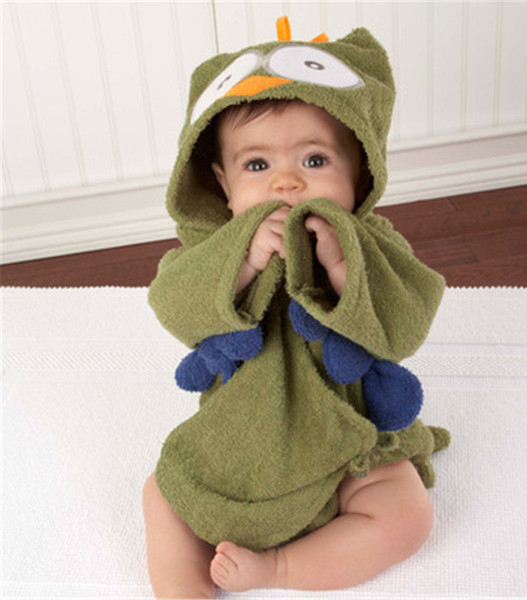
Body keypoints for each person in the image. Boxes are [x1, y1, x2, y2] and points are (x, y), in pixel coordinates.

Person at [143, 18, 449, 599]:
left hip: (350, 439)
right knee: (164, 490)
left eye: (314, 160)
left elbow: (404, 324)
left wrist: (343, 267)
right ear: (222, 184)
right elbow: (175, 305)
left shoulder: (372, 244)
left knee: (407, 516)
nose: (286, 182)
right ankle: (183, 589)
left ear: (359, 168)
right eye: (257, 166)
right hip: (243, 436)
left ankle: (280, 568)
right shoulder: (213, 251)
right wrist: (240, 265)